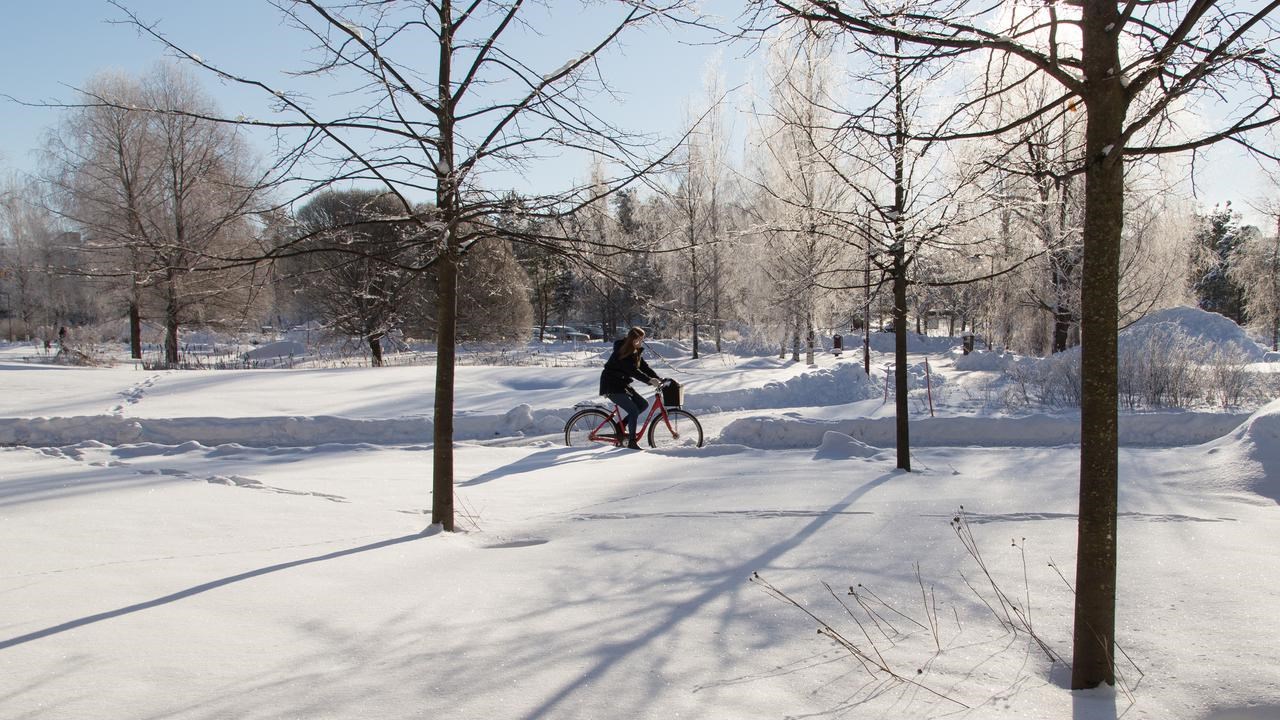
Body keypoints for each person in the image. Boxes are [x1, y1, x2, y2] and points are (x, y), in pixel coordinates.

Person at [599, 327, 662, 450]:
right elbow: (633, 371)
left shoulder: (635, 351)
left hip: (621, 384)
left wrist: (658, 379)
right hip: (611, 385)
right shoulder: (622, 352)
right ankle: (632, 442)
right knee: (633, 411)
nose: (642, 342)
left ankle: (621, 425)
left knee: (643, 404)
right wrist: (649, 380)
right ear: (634, 340)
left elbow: (644, 368)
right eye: (641, 339)